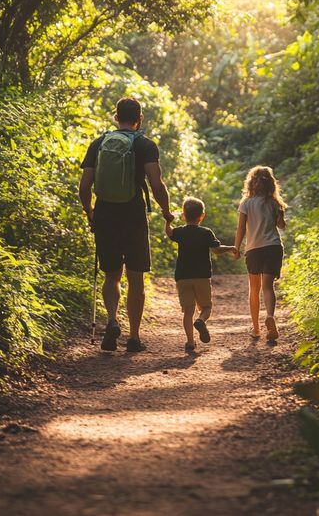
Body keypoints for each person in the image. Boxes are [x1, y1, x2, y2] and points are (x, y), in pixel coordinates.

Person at [79, 97, 174, 352]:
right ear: (139, 118)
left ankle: (111, 320)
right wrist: (166, 212)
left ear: (115, 117)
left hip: (105, 214)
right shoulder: (145, 145)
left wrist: (90, 213)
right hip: (133, 214)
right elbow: (156, 185)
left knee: (111, 275)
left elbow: (84, 186)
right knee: (135, 277)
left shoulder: (98, 144)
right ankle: (133, 337)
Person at [165, 196, 237, 352]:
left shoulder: (180, 232)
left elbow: (169, 233)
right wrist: (231, 248)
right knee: (206, 307)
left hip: (183, 277)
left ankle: (190, 342)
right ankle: (201, 320)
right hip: (202, 277)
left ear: (184, 215)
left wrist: (168, 221)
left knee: (187, 311)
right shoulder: (206, 232)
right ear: (202, 216)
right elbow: (217, 251)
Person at [234, 166, 286, 342]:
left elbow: (241, 227)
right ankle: (270, 316)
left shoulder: (246, 203)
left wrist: (236, 247)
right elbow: (281, 226)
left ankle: (256, 328)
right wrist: (278, 213)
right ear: (271, 183)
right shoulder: (274, 203)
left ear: (251, 183)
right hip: (272, 247)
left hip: (254, 249)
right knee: (268, 287)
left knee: (254, 289)